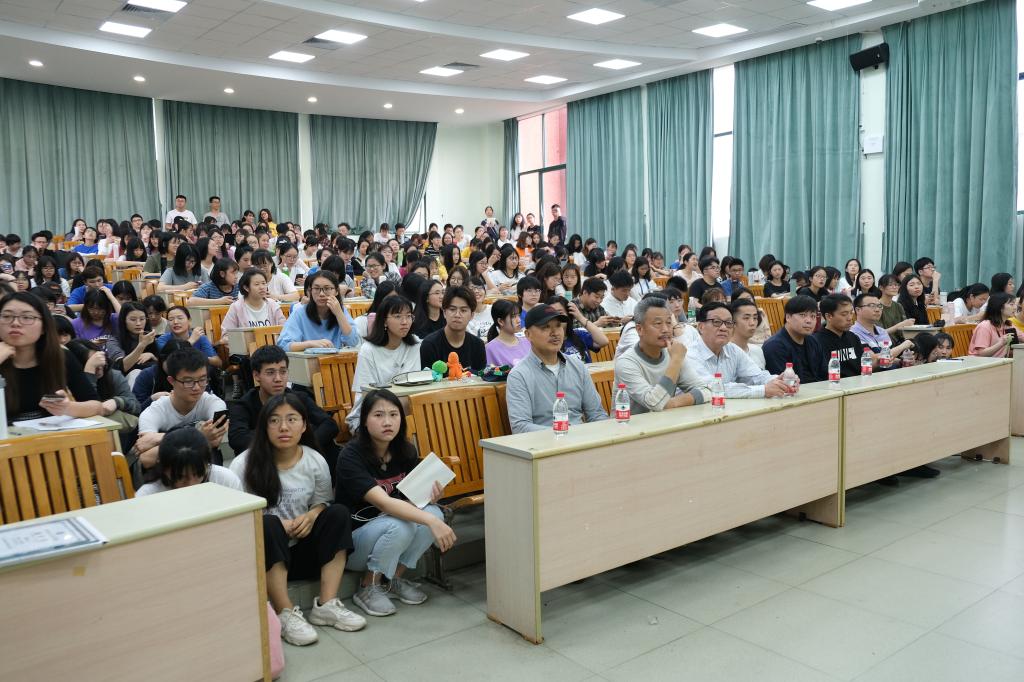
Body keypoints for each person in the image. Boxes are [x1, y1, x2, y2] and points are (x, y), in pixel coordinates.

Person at [230, 394, 366, 644]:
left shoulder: (314, 460)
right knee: (268, 523)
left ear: (304, 425)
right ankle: (285, 612)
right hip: (263, 558)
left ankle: (326, 605)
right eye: (274, 420)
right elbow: (233, 520)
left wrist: (312, 516)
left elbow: (322, 502)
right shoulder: (242, 465)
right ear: (264, 427)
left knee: (337, 512)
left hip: (303, 554)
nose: (284, 427)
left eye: (292, 419)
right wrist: (278, 525)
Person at [335, 390, 456, 617]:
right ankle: (368, 586)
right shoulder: (350, 456)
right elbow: (385, 504)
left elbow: (409, 500)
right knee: (407, 523)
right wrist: (430, 521)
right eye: (378, 415)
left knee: (433, 513)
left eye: (393, 414)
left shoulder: (405, 451)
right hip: (354, 543)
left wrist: (430, 497)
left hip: (389, 532)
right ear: (364, 421)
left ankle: (393, 580)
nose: (387, 422)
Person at [228, 345, 340, 475]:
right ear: (256, 375)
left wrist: (298, 444)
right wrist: (283, 441)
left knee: (327, 444)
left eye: (283, 371)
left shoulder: (299, 398)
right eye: (270, 373)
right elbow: (238, 439)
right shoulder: (243, 405)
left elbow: (330, 425)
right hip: (264, 465)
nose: (278, 379)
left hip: (300, 458)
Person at [505, 305, 608, 433]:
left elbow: (597, 414)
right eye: (545, 327)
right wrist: (565, 433)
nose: (555, 333)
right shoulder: (519, 375)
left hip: (582, 439)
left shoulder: (577, 366)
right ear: (528, 334)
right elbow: (520, 427)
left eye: (558, 326)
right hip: (544, 442)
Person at [0, 292, 101, 422]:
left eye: (26, 317)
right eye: (6, 316)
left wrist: (67, 407)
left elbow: (96, 406)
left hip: (48, 432)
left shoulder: (60, 356)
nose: (15, 323)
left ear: (44, 327)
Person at [136, 348, 227, 472]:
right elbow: (146, 459)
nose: (197, 387)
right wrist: (200, 435)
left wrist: (160, 438)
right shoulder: (153, 412)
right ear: (171, 381)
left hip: (202, 470)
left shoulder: (215, 404)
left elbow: (215, 441)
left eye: (202, 380)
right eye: (188, 381)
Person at [614, 297, 710, 414]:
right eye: (658, 323)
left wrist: (671, 403)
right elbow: (654, 403)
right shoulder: (626, 363)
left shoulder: (673, 353)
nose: (665, 329)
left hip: (667, 421)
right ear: (639, 329)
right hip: (628, 424)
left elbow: (706, 391)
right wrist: (675, 361)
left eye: (669, 323)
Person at [345, 296, 421, 432]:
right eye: (398, 316)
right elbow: (368, 395)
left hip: (406, 412)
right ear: (384, 321)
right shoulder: (368, 350)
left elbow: (415, 387)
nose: (405, 322)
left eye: (409, 316)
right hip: (371, 415)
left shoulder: (414, 345)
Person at [688, 302, 791, 398]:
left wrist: (781, 381)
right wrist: (763, 390)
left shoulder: (732, 349)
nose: (724, 328)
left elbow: (756, 376)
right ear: (701, 327)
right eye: (716, 322)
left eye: (728, 323)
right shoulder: (690, 355)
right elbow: (712, 388)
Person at [136, 427, 241, 496]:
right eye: (180, 477)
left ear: (207, 464)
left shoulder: (225, 480)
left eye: (198, 474)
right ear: (163, 468)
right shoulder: (148, 495)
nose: (191, 484)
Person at [278, 272, 359, 351]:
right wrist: (310, 344)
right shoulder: (300, 313)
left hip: (336, 359)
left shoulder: (341, 311)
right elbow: (283, 345)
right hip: (308, 360)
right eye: (316, 288)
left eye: (327, 288)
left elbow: (353, 342)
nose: (321, 294)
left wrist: (339, 314)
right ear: (310, 291)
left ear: (336, 291)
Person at [419, 286, 487, 371]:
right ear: (444, 313)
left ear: (472, 315)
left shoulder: (478, 345)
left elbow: (481, 377)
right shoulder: (430, 344)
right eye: (452, 309)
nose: (457, 315)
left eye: (463, 310)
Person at [762, 295, 826, 383]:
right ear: (788, 317)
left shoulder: (813, 341)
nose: (809, 321)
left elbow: (824, 374)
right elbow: (783, 383)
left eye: (813, 316)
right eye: (803, 315)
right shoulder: (774, 346)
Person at [220, 268, 286, 337]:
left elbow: (285, 330)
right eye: (257, 284)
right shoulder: (236, 307)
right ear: (246, 288)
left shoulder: (273, 305)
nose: (262, 287)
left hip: (272, 343)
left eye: (264, 283)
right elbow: (226, 335)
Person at [812, 295, 867, 377]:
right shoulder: (815, 342)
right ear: (829, 316)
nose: (850, 318)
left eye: (851, 313)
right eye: (844, 314)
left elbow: (863, 366)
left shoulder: (853, 337)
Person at [545, 296, 608, 364]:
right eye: (552, 314)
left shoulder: (579, 334)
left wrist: (580, 317)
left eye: (560, 313)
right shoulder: (547, 341)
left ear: (568, 314)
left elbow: (603, 341)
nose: (557, 317)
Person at [851, 292, 914, 359]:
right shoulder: (853, 334)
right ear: (858, 310)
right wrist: (902, 346)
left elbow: (889, 358)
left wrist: (902, 361)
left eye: (879, 306)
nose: (877, 310)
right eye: (872, 306)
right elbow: (870, 360)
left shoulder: (882, 331)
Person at [106, 301, 158, 381]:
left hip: (151, 377)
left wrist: (152, 355)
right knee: (135, 373)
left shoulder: (149, 336)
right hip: (125, 380)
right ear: (124, 320)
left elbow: (163, 363)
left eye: (142, 319)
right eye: (133, 319)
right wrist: (141, 345)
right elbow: (122, 367)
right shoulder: (113, 340)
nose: (138, 323)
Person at [156, 306, 221, 368]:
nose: (175, 322)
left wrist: (198, 358)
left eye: (180, 318)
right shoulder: (162, 340)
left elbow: (218, 362)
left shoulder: (200, 337)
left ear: (189, 320)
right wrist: (191, 341)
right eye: (171, 319)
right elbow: (173, 360)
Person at [485, 299, 531, 367]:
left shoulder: (527, 341)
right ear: (500, 321)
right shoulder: (490, 349)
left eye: (518, 315)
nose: (519, 320)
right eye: (513, 317)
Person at [969, 292, 1016, 358]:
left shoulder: (1007, 325)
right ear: (1000, 307)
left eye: (1015, 304)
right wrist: (1001, 343)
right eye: (1012, 304)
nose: (1015, 307)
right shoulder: (985, 326)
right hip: (981, 363)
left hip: (999, 362)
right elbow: (982, 354)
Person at [731, 298, 767, 369]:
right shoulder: (726, 353)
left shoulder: (757, 350)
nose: (752, 323)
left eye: (755, 318)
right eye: (746, 318)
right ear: (733, 322)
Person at [878, 274, 914, 341]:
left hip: (901, 341)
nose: (895, 287)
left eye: (897, 285)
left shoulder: (898, 306)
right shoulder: (876, 307)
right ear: (881, 288)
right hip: (884, 343)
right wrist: (900, 325)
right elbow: (879, 333)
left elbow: (904, 328)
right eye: (890, 285)